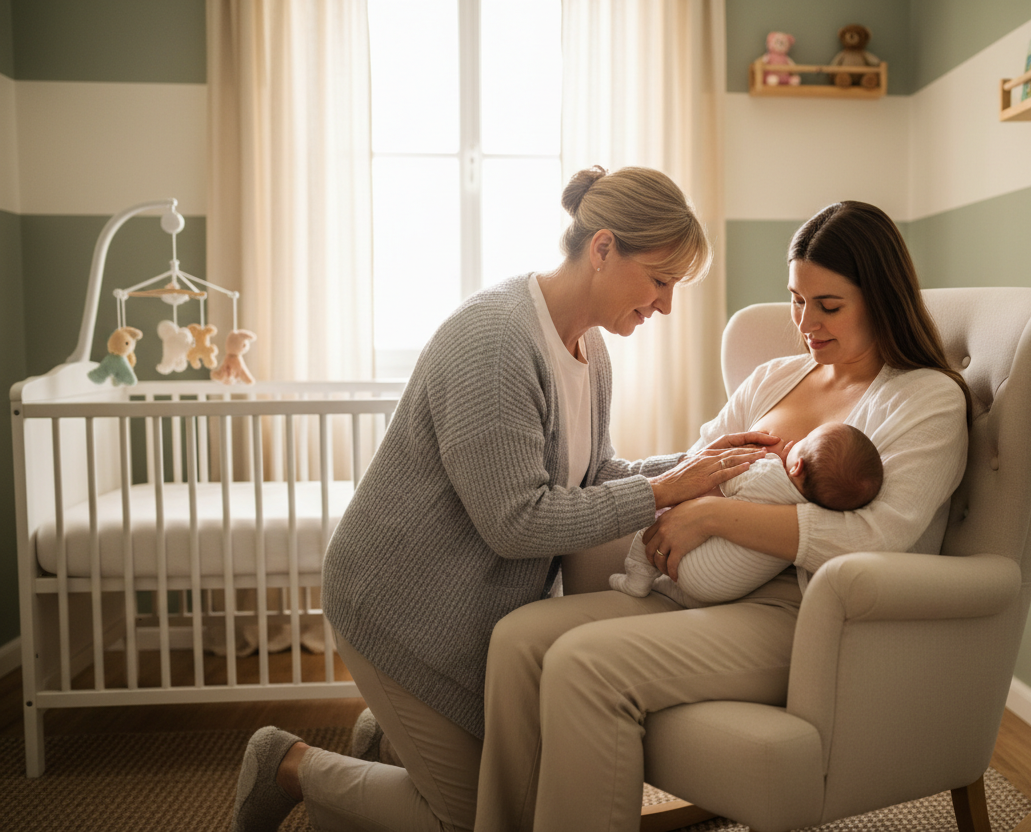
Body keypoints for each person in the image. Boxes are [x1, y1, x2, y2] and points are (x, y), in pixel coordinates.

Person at [227, 165, 778, 832]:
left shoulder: (590, 350)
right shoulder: (496, 343)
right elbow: (517, 522)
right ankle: (287, 764)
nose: (665, 305)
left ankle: (385, 743)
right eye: (660, 281)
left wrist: (703, 466)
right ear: (603, 249)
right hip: (397, 609)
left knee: (514, 793)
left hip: (467, 617)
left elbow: (594, 472)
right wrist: (664, 489)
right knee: (480, 820)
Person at [474, 200, 973, 832]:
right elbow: (694, 463)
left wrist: (714, 519)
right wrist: (679, 504)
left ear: (881, 297)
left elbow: (876, 536)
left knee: (584, 665)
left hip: (804, 616)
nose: (805, 323)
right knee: (520, 640)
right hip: (695, 586)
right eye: (797, 299)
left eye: (829, 305)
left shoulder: (923, 397)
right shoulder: (775, 379)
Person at [609, 422, 883, 608]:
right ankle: (668, 588)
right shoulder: (806, 512)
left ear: (797, 466)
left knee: (653, 515)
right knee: (703, 581)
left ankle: (637, 580)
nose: (795, 441)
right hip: (723, 590)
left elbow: (717, 478)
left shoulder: (768, 470)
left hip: (690, 565)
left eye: (805, 441)